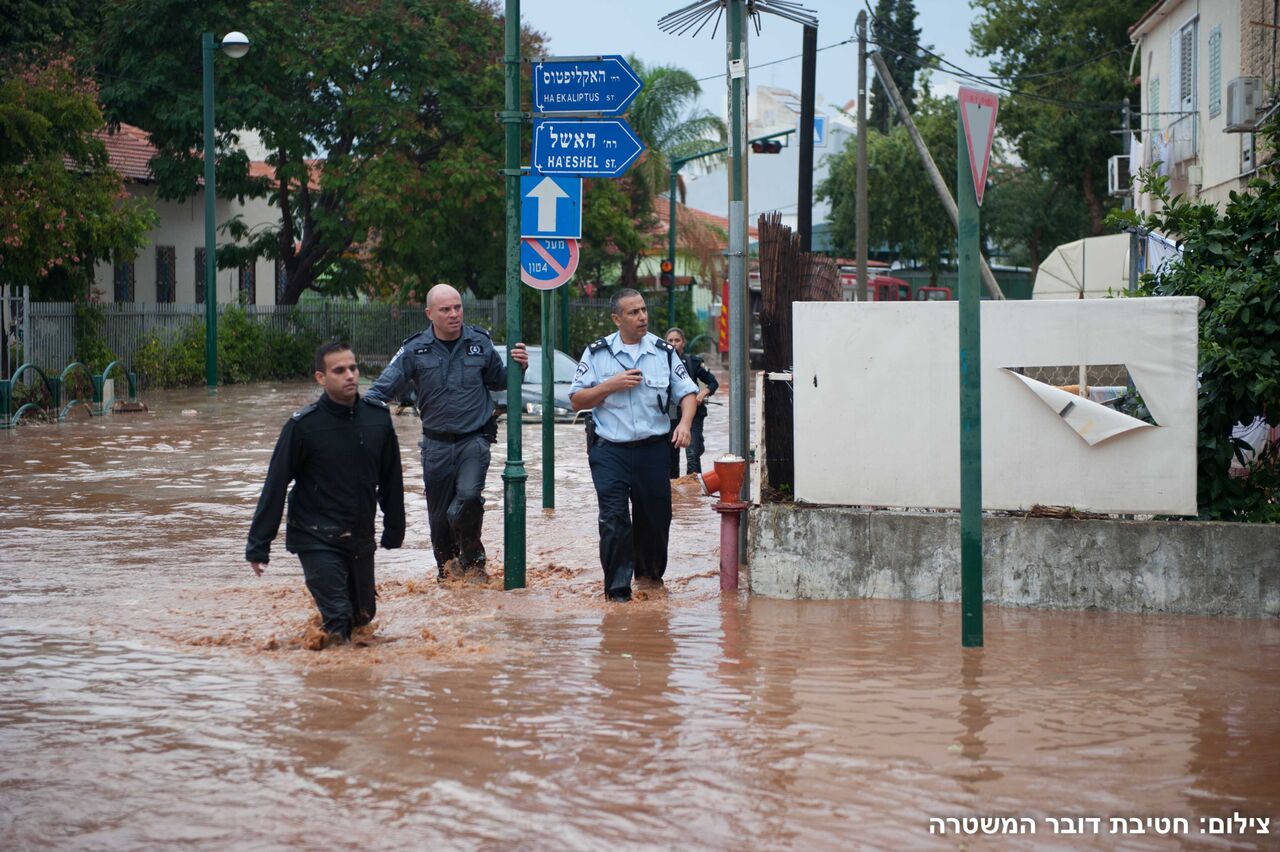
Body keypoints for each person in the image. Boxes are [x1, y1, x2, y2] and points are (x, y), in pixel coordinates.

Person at [246, 342, 405, 647]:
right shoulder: (303, 427)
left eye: (353, 368)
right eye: (339, 370)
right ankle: (337, 688)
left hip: (359, 534)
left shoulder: (377, 418)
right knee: (339, 619)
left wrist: (394, 528)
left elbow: (391, 478)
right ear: (321, 378)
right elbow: (275, 485)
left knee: (363, 617)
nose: (350, 375)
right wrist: (258, 545)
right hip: (314, 536)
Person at [365, 283, 528, 582]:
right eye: (445, 309)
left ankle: (474, 564)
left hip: (474, 440)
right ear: (430, 314)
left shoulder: (480, 342)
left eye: (458, 307)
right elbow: (379, 391)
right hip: (436, 445)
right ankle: (448, 576)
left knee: (467, 498)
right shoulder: (414, 350)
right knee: (439, 521)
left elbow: (499, 380)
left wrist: (520, 368)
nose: (454, 314)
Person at [569, 288, 698, 601]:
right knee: (614, 520)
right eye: (633, 312)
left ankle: (650, 579)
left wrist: (684, 424)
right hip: (609, 449)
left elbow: (688, 393)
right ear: (617, 319)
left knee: (655, 518)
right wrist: (609, 385)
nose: (642, 317)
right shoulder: (597, 354)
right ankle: (617, 593)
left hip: (653, 449)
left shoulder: (663, 351)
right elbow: (575, 400)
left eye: (643, 310)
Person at [663, 327, 719, 477]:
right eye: (670, 340)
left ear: (683, 343)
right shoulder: (660, 363)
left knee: (693, 455)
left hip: (693, 414)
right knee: (670, 458)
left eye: (677, 340)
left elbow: (713, 382)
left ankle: (694, 495)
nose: (673, 343)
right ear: (665, 343)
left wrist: (703, 393)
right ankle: (674, 496)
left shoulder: (693, 362)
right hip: (671, 415)